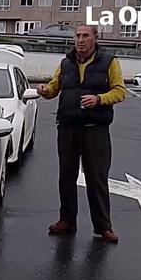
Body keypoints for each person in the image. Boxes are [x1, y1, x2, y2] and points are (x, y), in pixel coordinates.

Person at [37, 24, 125, 243]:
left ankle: (103, 226)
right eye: (77, 36)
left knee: (97, 177)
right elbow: (55, 87)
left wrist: (99, 99)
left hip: (95, 129)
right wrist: (45, 91)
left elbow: (120, 91)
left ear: (95, 38)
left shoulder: (109, 62)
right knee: (66, 176)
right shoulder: (66, 63)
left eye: (85, 36)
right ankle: (67, 220)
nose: (80, 40)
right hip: (68, 128)